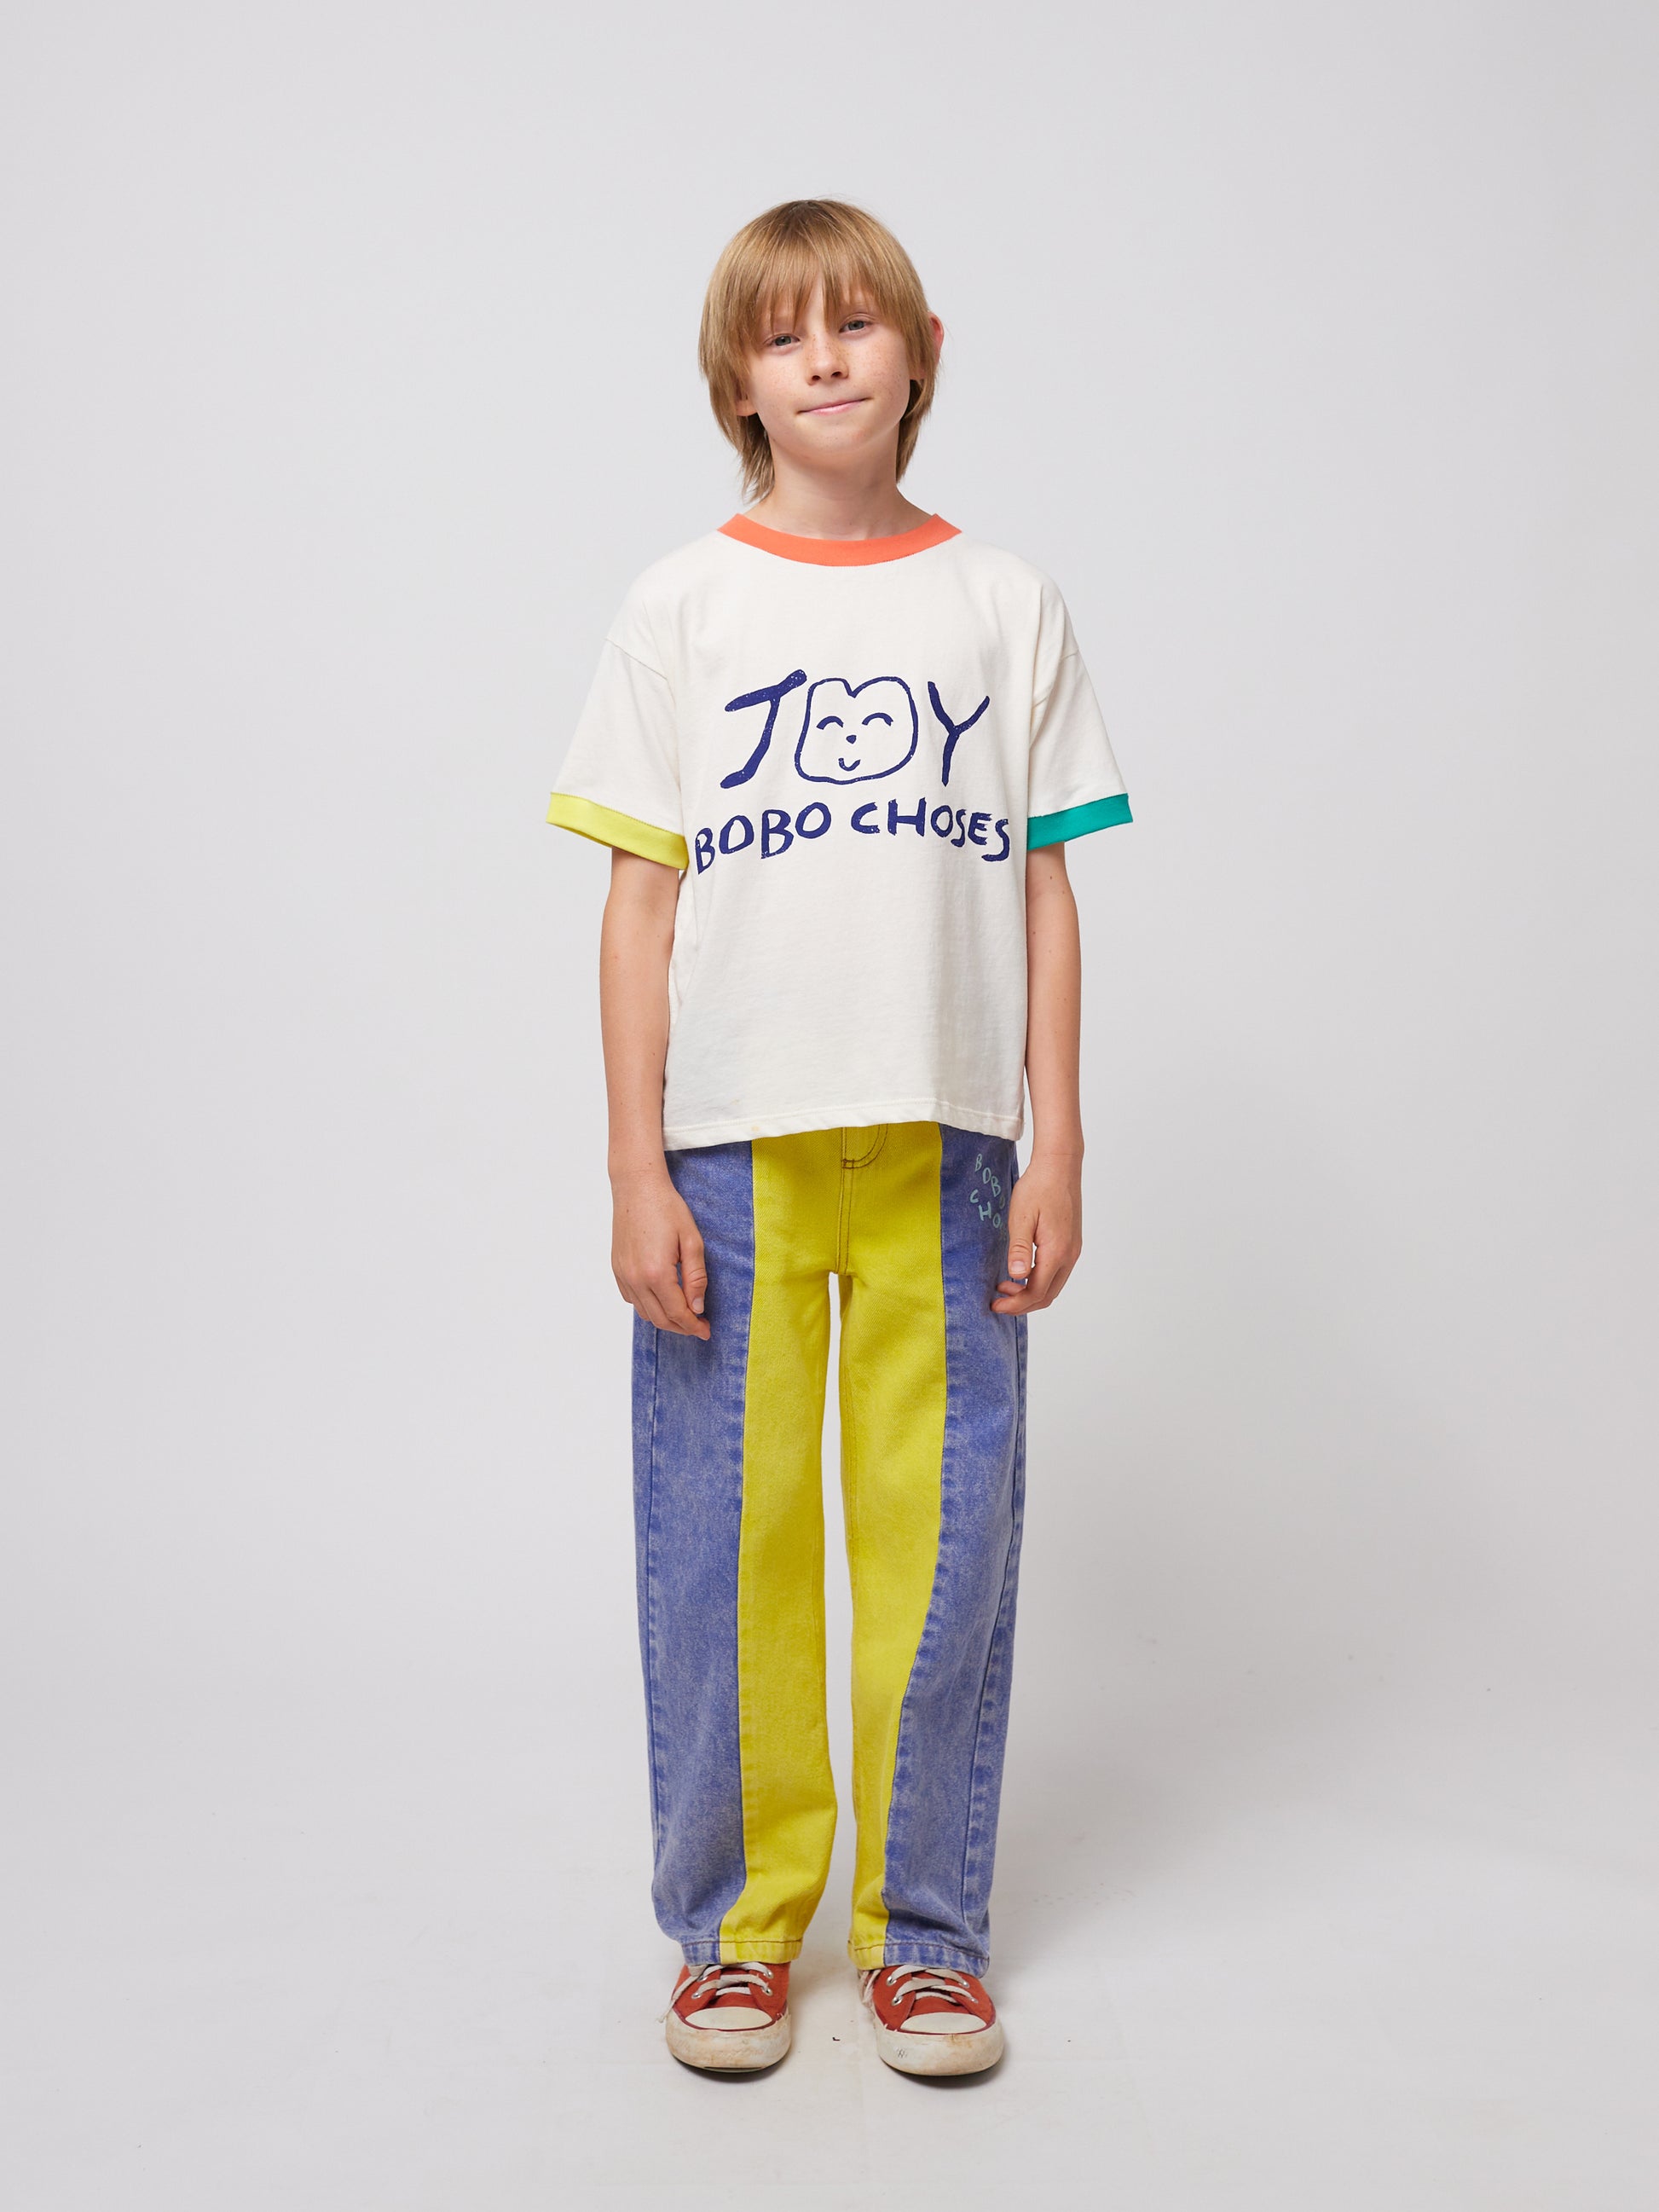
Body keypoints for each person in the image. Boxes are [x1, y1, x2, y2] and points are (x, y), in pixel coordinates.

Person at [546, 199, 1130, 2077]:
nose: (823, 359)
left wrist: (1057, 1142)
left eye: (856, 323)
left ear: (920, 351)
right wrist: (633, 1165)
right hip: (729, 1147)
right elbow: (638, 904)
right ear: (735, 380)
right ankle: (734, 1931)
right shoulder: (682, 605)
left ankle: (926, 1931)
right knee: (725, 1551)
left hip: (948, 1149)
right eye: (783, 334)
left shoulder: (1004, 602)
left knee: (942, 1548)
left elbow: (1043, 890)